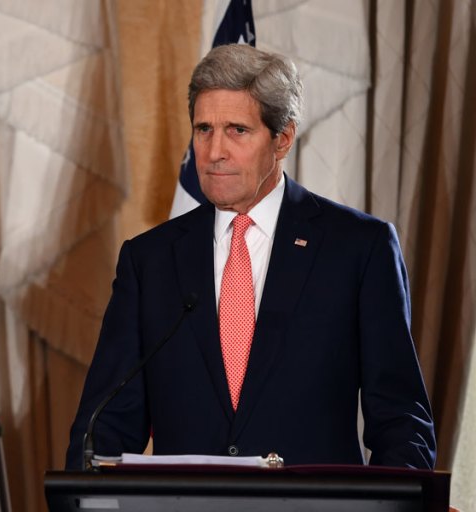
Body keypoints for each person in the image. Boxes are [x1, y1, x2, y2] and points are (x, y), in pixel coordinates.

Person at [66, 44, 436, 470]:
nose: (214, 151)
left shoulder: (358, 248)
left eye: (237, 130)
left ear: (283, 139)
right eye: (203, 129)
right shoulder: (149, 260)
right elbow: (103, 427)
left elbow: (402, 423)